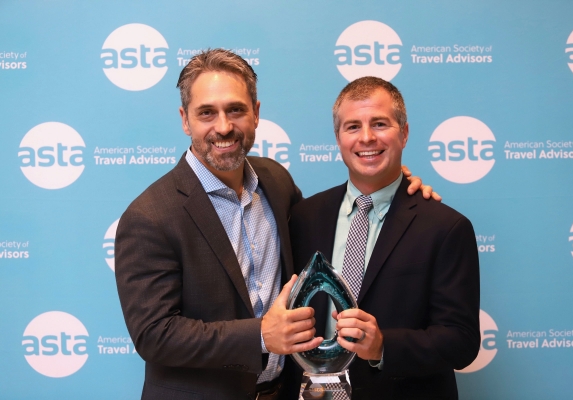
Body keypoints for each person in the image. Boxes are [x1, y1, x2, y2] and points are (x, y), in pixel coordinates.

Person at [115, 49, 435, 400]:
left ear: (256, 113)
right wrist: (262, 337)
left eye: (236, 109)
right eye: (207, 113)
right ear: (185, 120)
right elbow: (154, 334)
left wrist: (393, 187)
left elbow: (334, 220)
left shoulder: (275, 182)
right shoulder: (149, 216)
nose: (223, 127)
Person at [289, 77, 480, 399]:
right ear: (338, 137)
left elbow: (461, 342)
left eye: (379, 124)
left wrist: (382, 345)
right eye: (352, 127)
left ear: (403, 133)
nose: (366, 138)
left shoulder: (446, 227)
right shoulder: (303, 217)